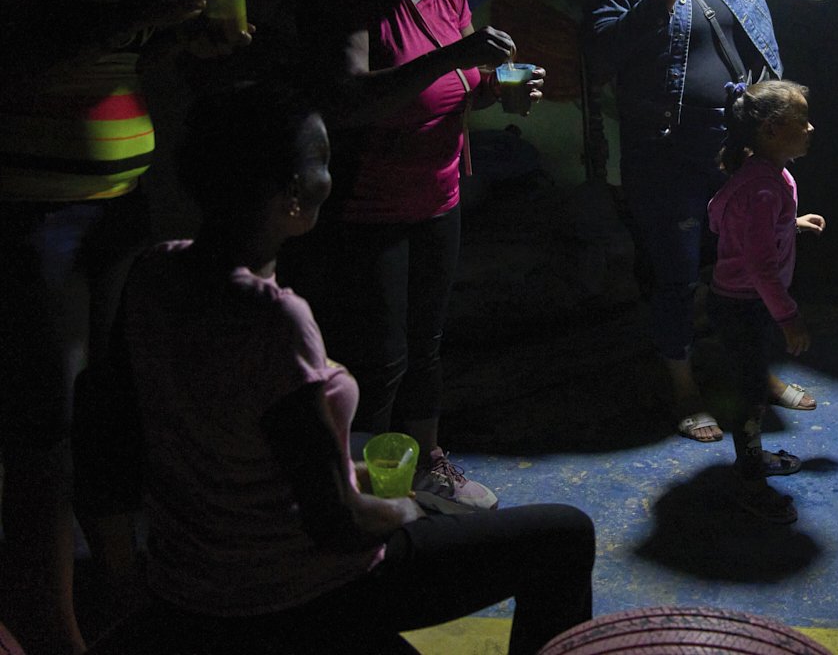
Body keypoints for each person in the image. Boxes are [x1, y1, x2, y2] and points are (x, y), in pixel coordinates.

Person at [74, 80, 594, 654]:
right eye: (324, 161)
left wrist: (126, 583)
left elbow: (114, 437)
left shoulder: (153, 273)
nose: (333, 173)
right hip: (290, 591)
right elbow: (335, 523)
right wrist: (407, 509)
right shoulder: (274, 319)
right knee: (565, 534)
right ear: (293, 194)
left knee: (369, 442)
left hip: (192, 578)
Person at [0, 0, 235, 655]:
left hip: (116, 202)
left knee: (105, 407)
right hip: (35, 215)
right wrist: (134, 15)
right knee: (44, 428)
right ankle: (49, 626)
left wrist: (182, 44)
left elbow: (111, 60)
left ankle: (118, 582)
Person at [284, 0, 544, 509]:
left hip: (439, 192)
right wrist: (459, 56)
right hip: (367, 205)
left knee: (426, 347)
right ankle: (361, 491)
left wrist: (495, 90)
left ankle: (425, 465)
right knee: (377, 360)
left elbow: (446, 91)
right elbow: (344, 99)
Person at [583, 0, 825, 443]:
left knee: (751, 265)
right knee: (677, 275)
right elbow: (600, 55)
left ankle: (757, 371)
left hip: (740, 151)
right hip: (666, 153)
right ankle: (684, 387)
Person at [706, 80, 824, 524]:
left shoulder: (762, 174)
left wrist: (789, 224)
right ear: (773, 130)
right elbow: (758, 266)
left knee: (752, 387)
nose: (811, 128)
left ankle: (751, 461)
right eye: (802, 121)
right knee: (751, 395)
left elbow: (728, 223)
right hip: (745, 307)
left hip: (743, 303)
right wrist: (789, 318)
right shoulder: (763, 186)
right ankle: (750, 484)